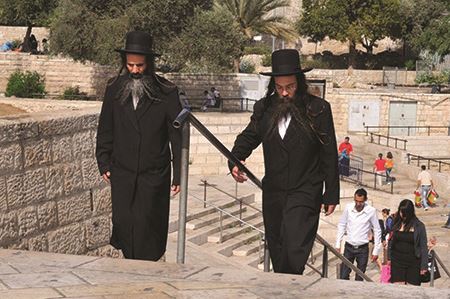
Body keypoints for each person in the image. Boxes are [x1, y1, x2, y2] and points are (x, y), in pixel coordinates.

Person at [229, 49, 340, 275]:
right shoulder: (264, 108)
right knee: (278, 249)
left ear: (299, 82)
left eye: (290, 87)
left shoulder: (318, 109)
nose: (285, 93)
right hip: (275, 192)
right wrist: (236, 158)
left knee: (295, 247)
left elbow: (329, 153)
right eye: (280, 88)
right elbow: (250, 136)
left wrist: (331, 194)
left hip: (305, 190)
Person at [96, 31, 182, 261]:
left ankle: (144, 276)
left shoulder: (167, 92)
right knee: (124, 225)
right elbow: (106, 128)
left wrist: (178, 175)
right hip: (122, 172)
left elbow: (176, 135)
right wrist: (103, 161)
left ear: (149, 63)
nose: (135, 70)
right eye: (131, 65)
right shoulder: (114, 89)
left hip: (153, 174)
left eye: (140, 65)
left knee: (148, 228)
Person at [335, 188, 381, 281]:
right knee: (343, 275)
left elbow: (377, 229)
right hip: (349, 246)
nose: (358, 204)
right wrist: (338, 243)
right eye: (356, 201)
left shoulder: (371, 211)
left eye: (361, 202)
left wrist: (376, 250)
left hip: (362, 248)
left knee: (360, 277)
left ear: (365, 200)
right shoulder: (348, 208)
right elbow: (342, 224)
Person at [388, 199, 428, 285]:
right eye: (401, 212)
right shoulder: (396, 223)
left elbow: (423, 246)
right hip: (397, 261)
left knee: (412, 291)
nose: (402, 215)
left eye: (405, 213)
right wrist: (388, 258)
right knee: (398, 290)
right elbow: (391, 241)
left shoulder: (419, 226)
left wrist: (424, 266)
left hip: (413, 262)